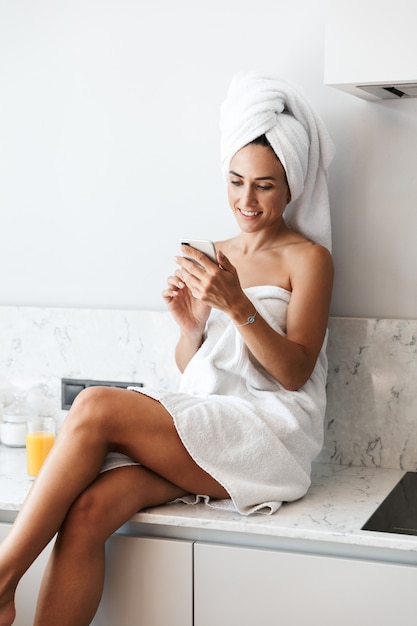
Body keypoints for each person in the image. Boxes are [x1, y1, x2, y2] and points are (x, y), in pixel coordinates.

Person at [0, 70, 335, 626]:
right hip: (210, 424)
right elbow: (198, 372)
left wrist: (237, 305)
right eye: (235, 180)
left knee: (96, 406)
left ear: (291, 183)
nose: (245, 199)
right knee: (89, 510)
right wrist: (189, 330)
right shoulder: (208, 249)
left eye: (264, 184)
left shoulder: (308, 259)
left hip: (269, 437)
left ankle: (2, 581)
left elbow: (295, 372)